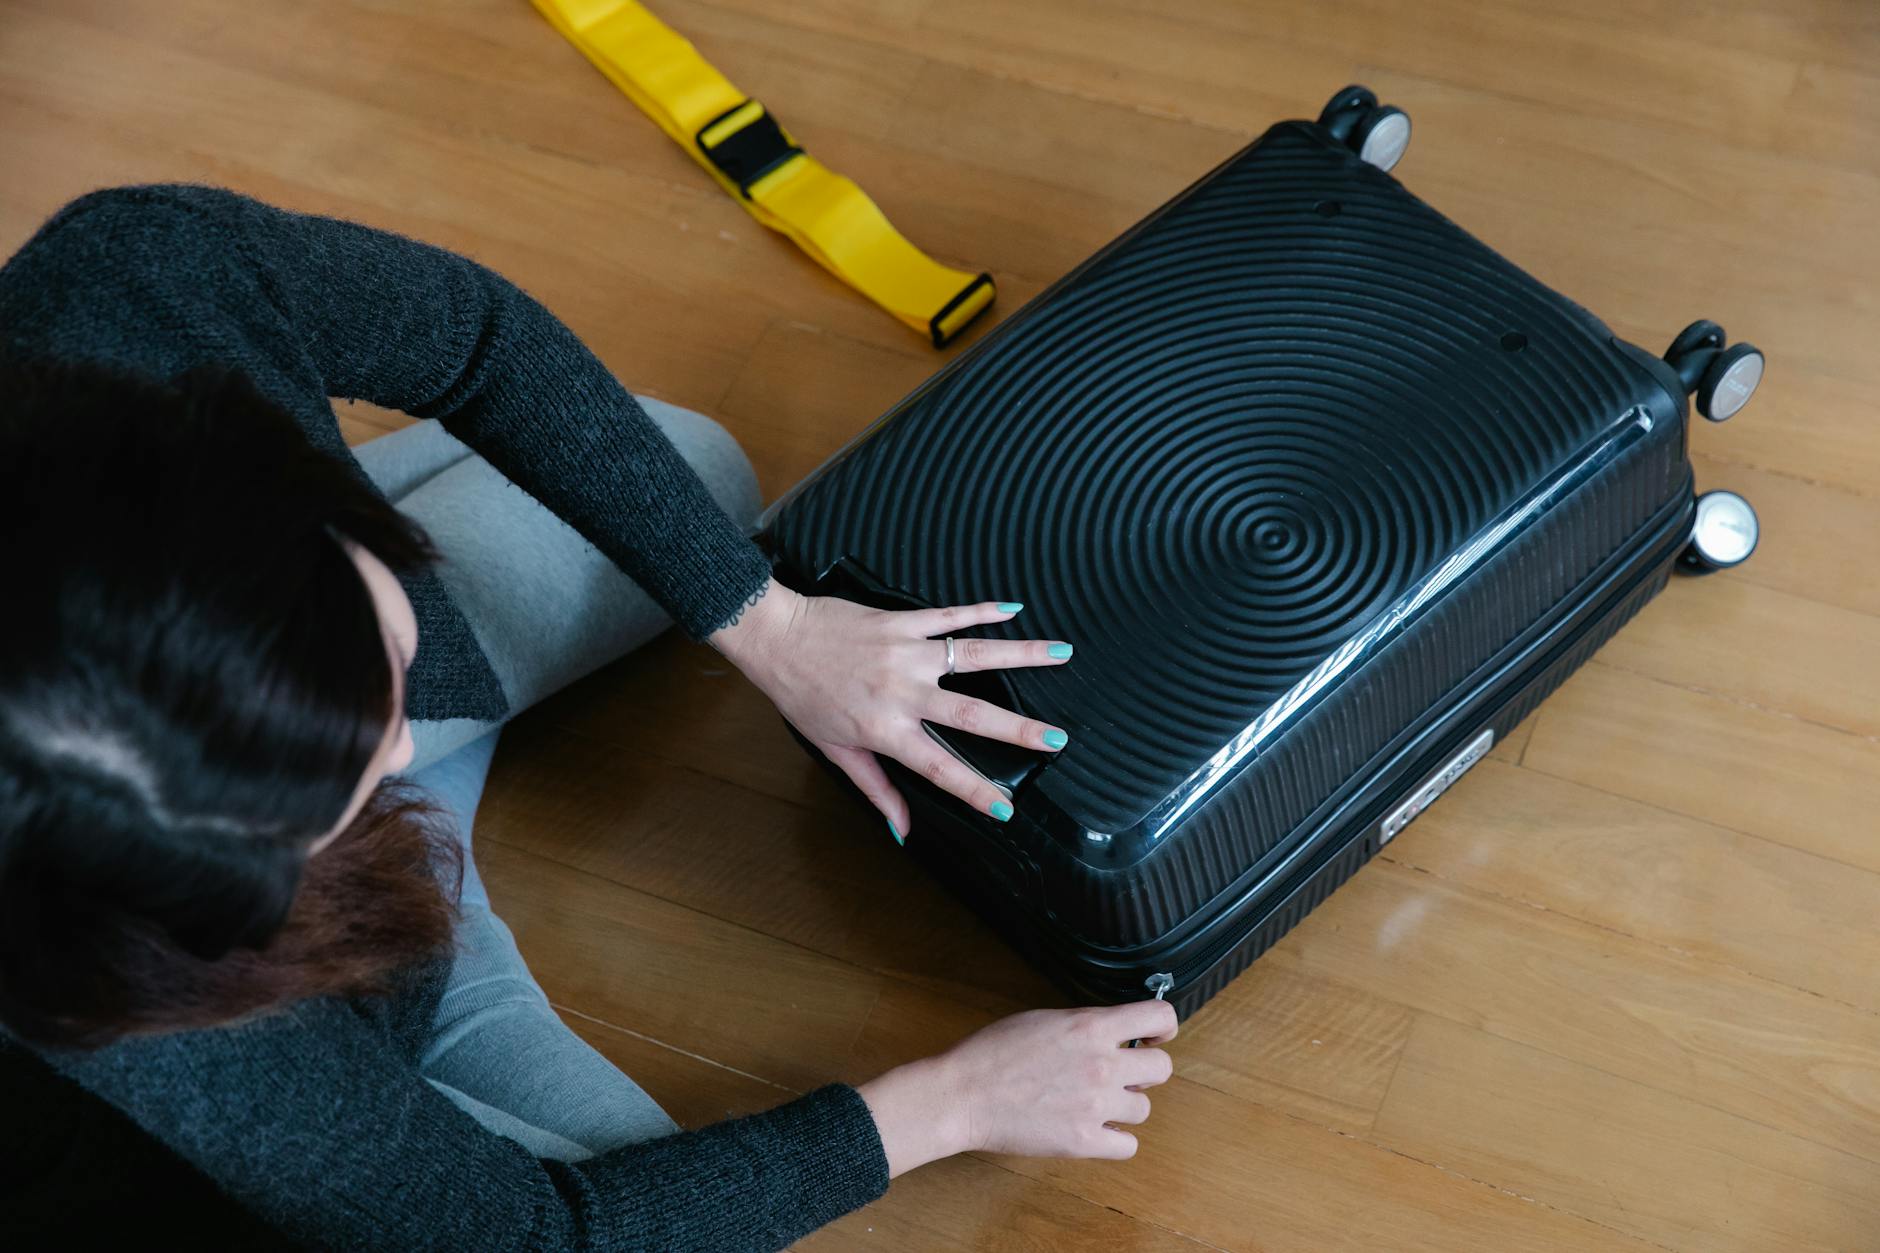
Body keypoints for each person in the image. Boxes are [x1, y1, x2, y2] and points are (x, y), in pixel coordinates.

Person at [0, 185, 1176, 1250]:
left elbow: (475, 342)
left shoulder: (135, 276)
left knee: (689, 469)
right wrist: (952, 1100)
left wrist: (767, 624)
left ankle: (426, 836)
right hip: (327, 1051)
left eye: (382, 658)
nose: (407, 741)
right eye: (341, 788)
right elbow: (544, 1239)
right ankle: (445, 909)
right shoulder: (121, 991)